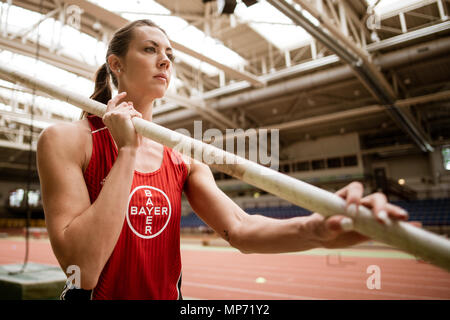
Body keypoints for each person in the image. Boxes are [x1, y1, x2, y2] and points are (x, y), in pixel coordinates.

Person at [36, 19, 409, 300]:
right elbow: (81, 269)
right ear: (115, 65)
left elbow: (241, 228)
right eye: (150, 50)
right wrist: (128, 153)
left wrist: (316, 230)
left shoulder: (181, 154)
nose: (165, 60)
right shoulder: (64, 140)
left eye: (170, 54)